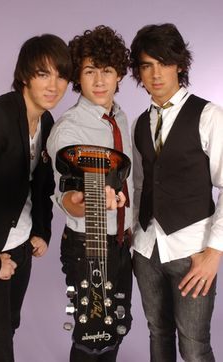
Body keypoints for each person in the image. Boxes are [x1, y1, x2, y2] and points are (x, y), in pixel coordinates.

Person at [130, 23, 223, 362]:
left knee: (194, 346)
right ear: (139, 72)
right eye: (146, 65)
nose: (155, 73)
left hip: (192, 252)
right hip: (146, 249)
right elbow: (141, 184)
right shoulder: (140, 123)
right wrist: (132, 233)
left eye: (163, 62)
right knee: (158, 334)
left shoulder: (209, 115)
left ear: (180, 65)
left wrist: (214, 253)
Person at [47, 25, 133, 362]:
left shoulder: (120, 116)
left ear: (118, 76)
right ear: (77, 78)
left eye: (107, 70)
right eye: (89, 71)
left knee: (114, 331)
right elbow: (66, 193)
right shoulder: (68, 128)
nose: (99, 81)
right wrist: (86, 202)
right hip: (88, 247)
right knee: (91, 336)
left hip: (122, 242)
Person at [0, 34, 72, 362]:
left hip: (20, 245)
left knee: (7, 327)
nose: (54, 85)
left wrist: (42, 230)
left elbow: (42, 183)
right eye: (43, 74)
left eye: (61, 75)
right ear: (24, 75)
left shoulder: (46, 120)